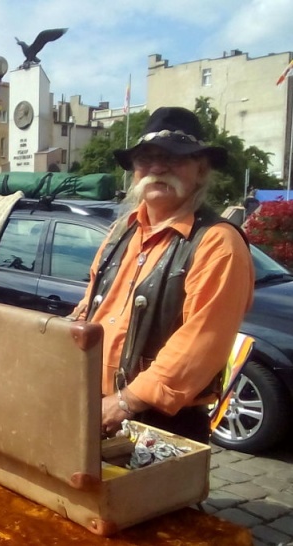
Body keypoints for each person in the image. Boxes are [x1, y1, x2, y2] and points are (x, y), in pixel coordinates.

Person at [73, 107, 255, 443]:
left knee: (153, 498)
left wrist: (125, 402)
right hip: (98, 404)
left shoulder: (217, 242)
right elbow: (90, 309)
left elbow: (201, 342)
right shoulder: (120, 232)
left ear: (200, 170)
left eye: (173, 158)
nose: (157, 167)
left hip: (163, 420)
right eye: (147, 158)